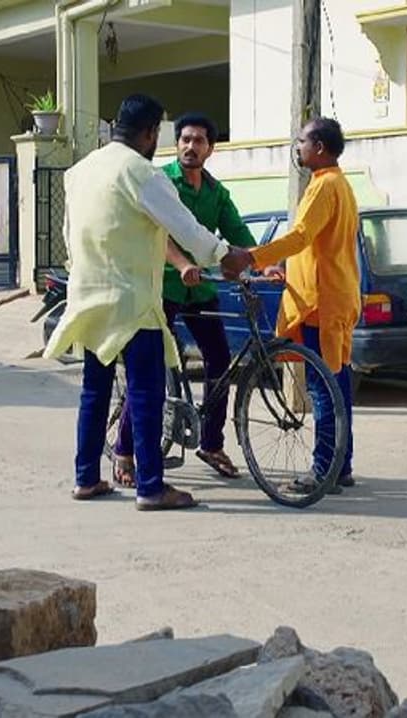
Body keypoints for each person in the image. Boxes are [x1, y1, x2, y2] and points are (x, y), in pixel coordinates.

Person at [44, 95, 254, 511]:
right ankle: (151, 487)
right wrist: (222, 255)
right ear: (152, 133)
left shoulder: (81, 171)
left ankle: (86, 478)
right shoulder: (142, 173)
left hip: (89, 296)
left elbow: (69, 233)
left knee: (95, 391)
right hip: (132, 302)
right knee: (146, 393)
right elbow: (186, 229)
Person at [112, 113, 259, 486]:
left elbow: (238, 233)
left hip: (200, 289)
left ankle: (211, 443)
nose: (191, 147)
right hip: (162, 286)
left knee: (220, 361)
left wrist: (263, 262)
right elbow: (158, 231)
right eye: (185, 140)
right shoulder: (160, 181)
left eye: (199, 141)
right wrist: (181, 264)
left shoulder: (216, 193)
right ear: (176, 144)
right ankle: (124, 450)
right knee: (151, 369)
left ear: (210, 148)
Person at [250, 117, 359, 492]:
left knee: (322, 389)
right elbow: (315, 245)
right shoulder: (338, 184)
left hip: (321, 303)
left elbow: (300, 236)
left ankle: (324, 469)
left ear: (320, 148)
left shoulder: (324, 186)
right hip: (337, 296)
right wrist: (284, 266)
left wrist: (253, 257)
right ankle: (340, 465)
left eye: (302, 142)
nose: (298, 148)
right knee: (337, 385)